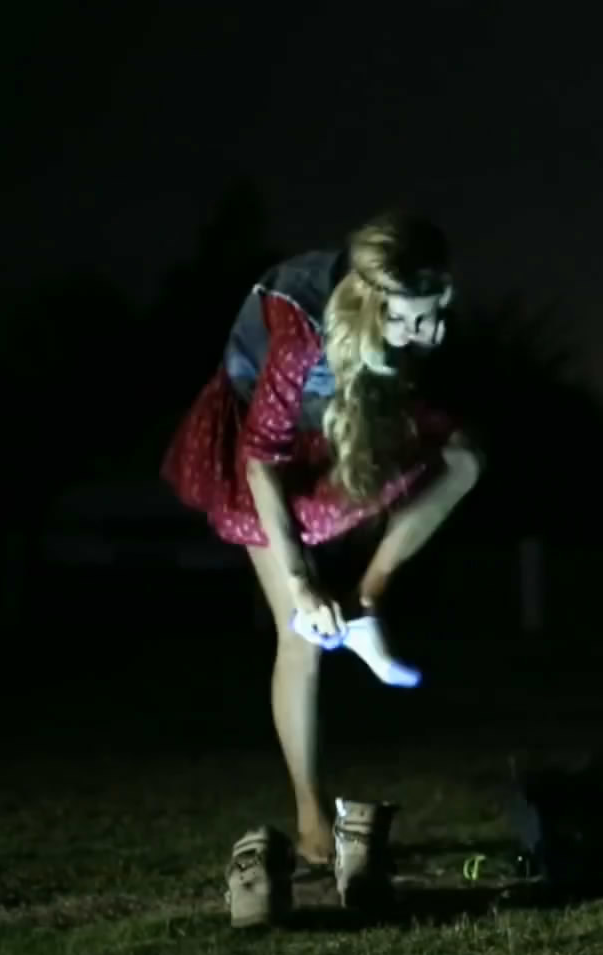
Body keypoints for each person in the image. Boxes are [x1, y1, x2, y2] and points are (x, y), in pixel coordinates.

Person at [162, 210, 482, 869]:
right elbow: (261, 460)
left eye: (435, 315)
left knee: (465, 459)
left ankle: (367, 599)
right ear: (372, 303)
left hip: (337, 420)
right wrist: (302, 581)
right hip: (259, 453)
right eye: (414, 321)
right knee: (301, 632)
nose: (430, 333)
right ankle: (312, 823)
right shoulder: (299, 333)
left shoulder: (396, 315)